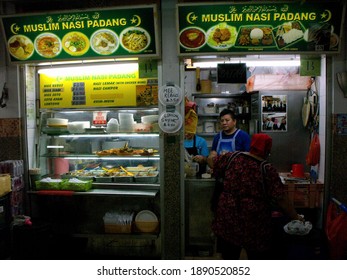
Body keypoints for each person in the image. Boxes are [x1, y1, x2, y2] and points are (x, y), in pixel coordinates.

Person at [207, 133, 304, 260]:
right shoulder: (267, 169)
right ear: (267, 150)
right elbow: (281, 198)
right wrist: (295, 216)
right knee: (256, 256)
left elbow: (212, 163)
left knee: (229, 257)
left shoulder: (232, 157)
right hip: (254, 224)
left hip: (228, 218)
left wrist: (211, 156)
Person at [184, 105, 209, 174]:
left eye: (189, 133)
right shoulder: (180, 142)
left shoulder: (201, 141)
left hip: (198, 173)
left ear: (194, 131)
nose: (186, 134)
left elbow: (207, 160)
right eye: (185, 132)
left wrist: (202, 158)